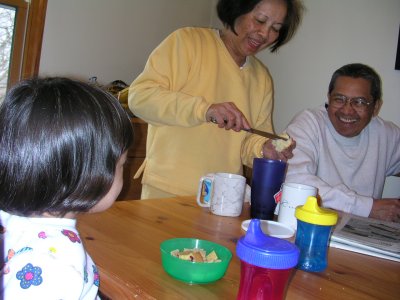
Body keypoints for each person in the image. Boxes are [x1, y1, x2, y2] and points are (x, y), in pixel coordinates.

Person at [129, 0, 304, 199]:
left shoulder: (262, 78)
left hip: (225, 196)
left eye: (275, 28)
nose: (264, 34)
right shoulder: (187, 41)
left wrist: (264, 148)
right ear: (237, 10)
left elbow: (250, 140)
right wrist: (204, 110)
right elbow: (140, 97)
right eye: (259, 20)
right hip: (168, 190)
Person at [0, 77, 134, 298]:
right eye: (122, 165)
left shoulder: (14, 223)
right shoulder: (52, 268)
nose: (124, 173)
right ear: (88, 176)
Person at [284, 63, 400, 222]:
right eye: (339, 99)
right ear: (328, 97)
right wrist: (367, 207)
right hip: (310, 227)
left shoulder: (386, 134)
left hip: (364, 237)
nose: (347, 110)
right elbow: (296, 181)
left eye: (359, 102)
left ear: (375, 107)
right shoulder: (308, 123)